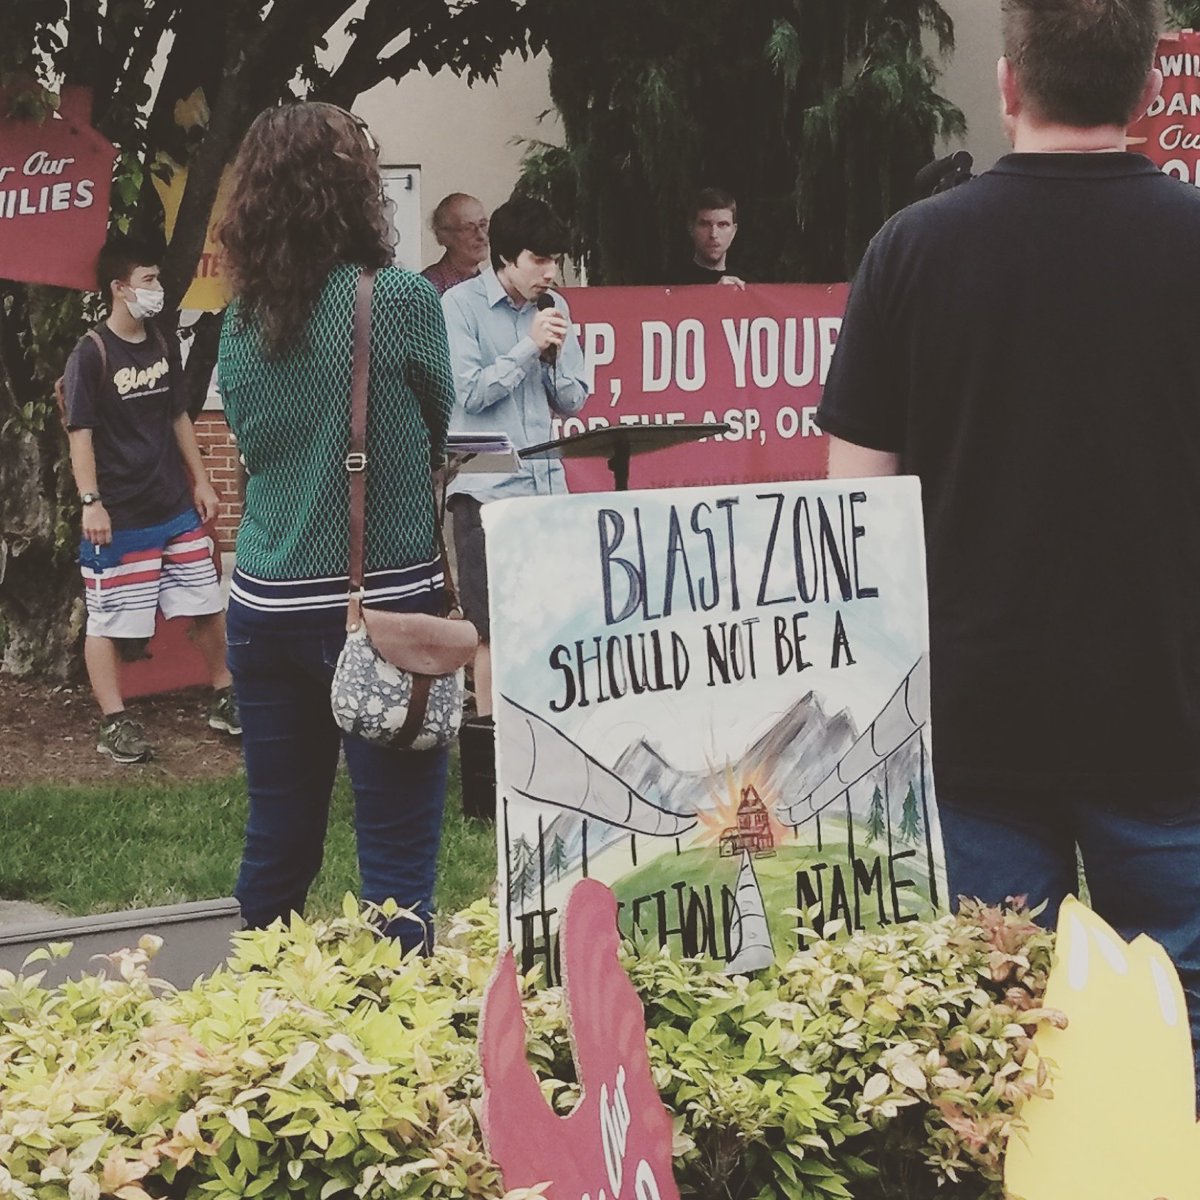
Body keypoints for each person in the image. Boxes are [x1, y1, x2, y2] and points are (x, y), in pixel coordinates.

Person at [816, 0, 1200, 1091]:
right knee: (1181, 1053)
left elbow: (857, 517)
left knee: (990, 1059)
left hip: (973, 735)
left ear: (1007, 84)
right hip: (1171, 722)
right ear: (1142, 91)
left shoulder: (911, 251)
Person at [216, 102, 456, 953]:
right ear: (356, 192)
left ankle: (258, 1002)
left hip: (264, 606)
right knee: (395, 854)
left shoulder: (239, 323)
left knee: (279, 836)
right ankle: (395, 1040)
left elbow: (251, 444)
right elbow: (438, 418)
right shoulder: (395, 301)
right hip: (385, 605)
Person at [63, 234, 237, 765]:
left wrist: (202, 481)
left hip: (173, 508)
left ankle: (225, 695)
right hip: (120, 517)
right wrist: (91, 501)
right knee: (110, 621)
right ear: (119, 288)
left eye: (158, 279)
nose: (157, 288)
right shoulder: (90, 353)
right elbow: (80, 432)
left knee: (207, 606)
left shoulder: (163, 343)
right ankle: (114, 721)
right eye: (149, 280)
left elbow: (179, 414)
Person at [441, 196, 589, 720]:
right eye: (538, 259)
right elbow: (470, 394)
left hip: (545, 482)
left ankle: (545, 729)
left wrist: (549, 360)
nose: (549, 272)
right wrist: (527, 348)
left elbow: (573, 398)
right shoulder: (459, 307)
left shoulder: (556, 308)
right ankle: (491, 746)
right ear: (506, 256)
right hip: (483, 478)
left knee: (551, 619)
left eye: (556, 261)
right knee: (489, 626)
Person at [421, 193, 490, 295]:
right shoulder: (427, 288)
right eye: (468, 228)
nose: (481, 236)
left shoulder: (487, 286)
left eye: (483, 225)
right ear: (445, 237)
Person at [677, 187, 745, 287]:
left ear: (733, 231)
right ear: (691, 229)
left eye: (722, 225)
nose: (713, 234)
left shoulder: (747, 285)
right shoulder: (670, 284)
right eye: (705, 224)